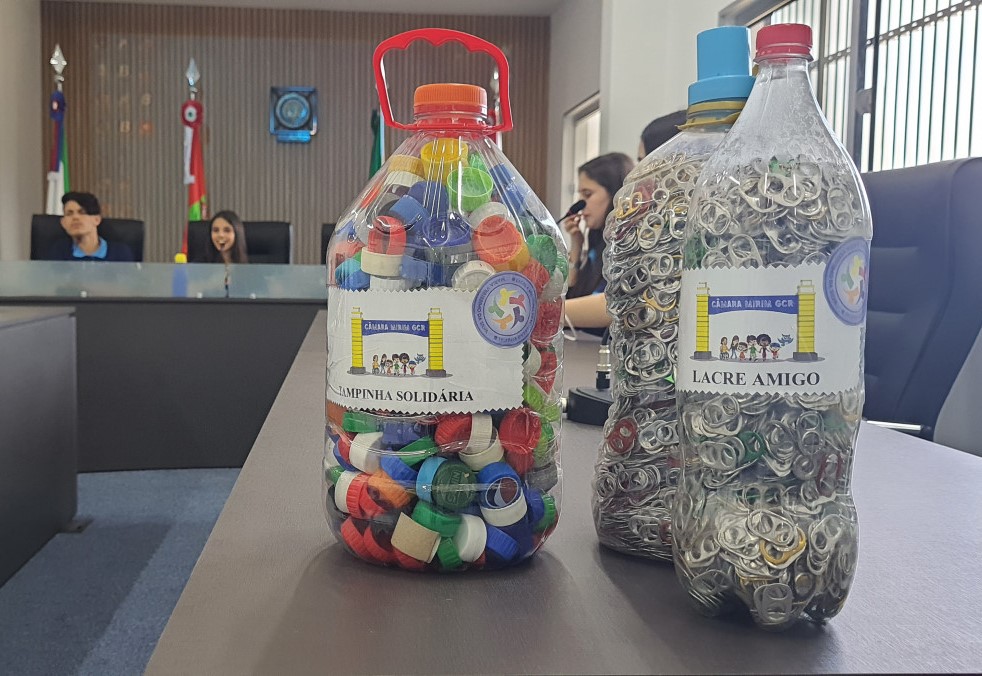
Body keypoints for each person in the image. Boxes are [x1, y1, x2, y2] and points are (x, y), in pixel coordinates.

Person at [564, 117, 684, 329]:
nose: (639, 174)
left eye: (588, 194)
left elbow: (622, 302)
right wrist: (576, 244)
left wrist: (545, 312)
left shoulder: (660, 231)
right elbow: (575, 294)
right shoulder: (599, 241)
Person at [45, 191, 134, 262]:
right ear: (63, 223)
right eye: (69, 214)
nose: (75, 217)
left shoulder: (120, 253)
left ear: (97, 220)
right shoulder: (57, 252)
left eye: (82, 212)